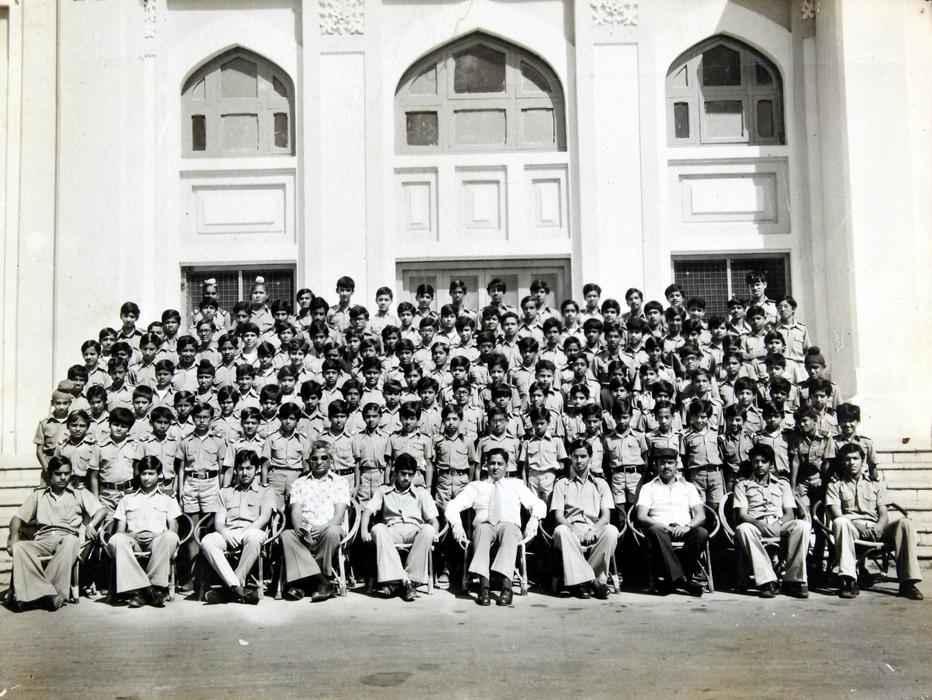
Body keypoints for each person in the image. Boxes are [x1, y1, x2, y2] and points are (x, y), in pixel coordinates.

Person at [445, 448, 546, 607]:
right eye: (492, 463)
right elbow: (452, 506)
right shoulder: (476, 486)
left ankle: (507, 588)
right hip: (485, 525)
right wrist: (456, 524)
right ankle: (484, 588)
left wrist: (534, 519)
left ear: (506, 466)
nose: (496, 467)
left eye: (500, 464)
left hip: (509, 526)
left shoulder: (516, 485)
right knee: (482, 530)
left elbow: (538, 504)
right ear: (486, 465)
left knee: (510, 531)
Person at [7, 457, 108, 610]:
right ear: (50, 475)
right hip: (43, 539)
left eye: (66, 474)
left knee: (70, 542)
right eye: (58, 474)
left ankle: (37, 593)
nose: (63, 477)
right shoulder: (38, 495)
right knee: (20, 548)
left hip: (67, 537)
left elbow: (102, 510)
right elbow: (17, 518)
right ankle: (50, 595)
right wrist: (14, 538)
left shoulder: (79, 493)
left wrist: (91, 525)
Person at [826, 444, 923, 600]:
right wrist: (858, 526)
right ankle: (849, 580)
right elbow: (836, 514)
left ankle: (908, 583)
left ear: (863, 461)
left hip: (876, 527)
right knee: (840, 522)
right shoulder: (835, 485)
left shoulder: (875, 483)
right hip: (852, 528)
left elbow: (883, 513)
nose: (851, 462)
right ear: (842, 462)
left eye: (855, 458)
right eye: (847, 459)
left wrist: (879, 527)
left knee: (905, 524)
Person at [732, 444, 810, 598]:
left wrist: (778, 524)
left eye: (763, 461)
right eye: (756, 461)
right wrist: (759, 524)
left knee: (802, 526)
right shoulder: (742, 485)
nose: (759, 465)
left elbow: (790, 513)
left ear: (771, 464)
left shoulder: (783, 484)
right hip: (755, 525)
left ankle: (793, 580)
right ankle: (767, 581)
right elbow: (742, 514)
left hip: (779, 524)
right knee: (743, 529)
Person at [199, 449, 276, 605]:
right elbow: (219, 522)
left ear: (257, 470)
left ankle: (228, 590)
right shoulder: (225, 492)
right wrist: (225, 533)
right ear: (235, 470)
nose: (244, 473)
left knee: (254, 537)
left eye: (249, 468)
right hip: (229, 533)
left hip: (252, 531)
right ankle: (236, 588)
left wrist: (244, 532)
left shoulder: (266, 491)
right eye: (241, 469)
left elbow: (263, 518)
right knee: (207, 541)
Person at [360, 454, 440, 602]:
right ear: (395, 473)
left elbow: (433, 521)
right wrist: (364, 530)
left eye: (410, 474)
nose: (406, 478)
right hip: (392, 531)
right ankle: (407, 583)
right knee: (378, 528)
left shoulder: (421, 493)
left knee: (428, 530)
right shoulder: (383, 491)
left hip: (413, 530)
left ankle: (398, 582)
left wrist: (435, 532)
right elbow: (368, 511)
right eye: (403, 474)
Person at [108, 456, 182, 608]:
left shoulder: (168, 499)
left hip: (157, 542)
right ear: (139, 475)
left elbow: (173, 528)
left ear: (159, 475)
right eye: (143, 474)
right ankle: (150, 591)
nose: (147, 478)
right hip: (133, 541)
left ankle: (141, 592)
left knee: (170, 537)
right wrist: (129, 536)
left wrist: (160, 536)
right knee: (116, 540)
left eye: (151, 473)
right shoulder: (127, 499)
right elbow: (119, 531)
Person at [281, 441, 350, 602]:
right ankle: (322, 583)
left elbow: (339, 515)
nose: (319, 462)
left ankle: (303, 583)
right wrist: (302, 530)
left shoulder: (340, 482)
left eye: (324, 458)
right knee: (287, 535)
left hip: (328, 529)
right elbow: (295, 512)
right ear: (309, 461)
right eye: (314, 458)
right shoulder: (299, 483)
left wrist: (321, 528)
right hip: (305, 532)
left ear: (331, 460)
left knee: (333, 532)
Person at [549, 440, 619, 599]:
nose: (579, 461)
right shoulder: (562, 484)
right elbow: (559, 516)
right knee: (560, 531)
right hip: (570, 531)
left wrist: (593, 530)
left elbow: (606, 517)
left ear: (590, 458)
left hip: (593, 530)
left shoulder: (601, 484)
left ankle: (581, 582)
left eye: (583, 456)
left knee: (611, 531)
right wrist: (574, 530)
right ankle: (593, 581)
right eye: (575, 456)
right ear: (570, 457)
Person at [635, 447, 707, 596]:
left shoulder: (688, 487)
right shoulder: (648, 488)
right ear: (656, 465)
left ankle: (672, 580)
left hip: (684, 529)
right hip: (661, 531)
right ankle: (682, 580)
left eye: (670, 463)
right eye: (662, 463)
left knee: (701, 532)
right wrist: (664, 526)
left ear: (676, 465)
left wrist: (688, 527)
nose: (666, 466)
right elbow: (641, 516)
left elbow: (701, 515)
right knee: (655, 531)